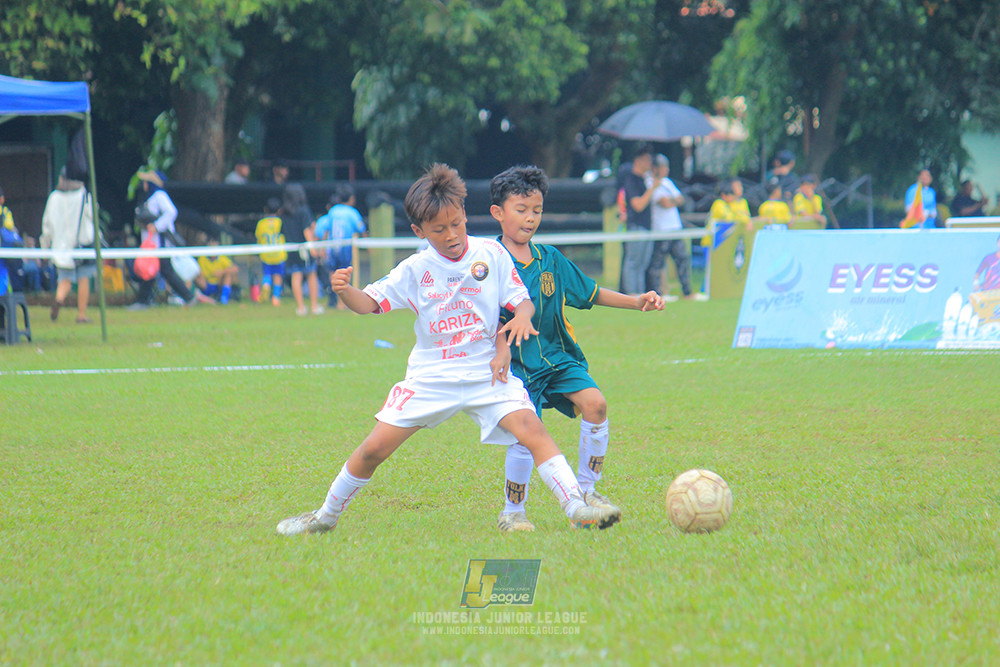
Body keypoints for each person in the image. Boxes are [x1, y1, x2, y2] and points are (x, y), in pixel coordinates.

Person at [276, 164, 622, 536]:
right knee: (373, 450)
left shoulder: (491, 254)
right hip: (432, 377)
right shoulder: (413, 269)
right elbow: (368, 304)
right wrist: (345, 291)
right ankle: (324, 517)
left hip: (486, 373)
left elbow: (522, 301)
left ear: (464, 214)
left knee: (531, 429)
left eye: (457, 224)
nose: (452, 235)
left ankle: (575, 507)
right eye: (439, 230)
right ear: (418, 231)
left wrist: (522, 317)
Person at [489, 165, 662, 533]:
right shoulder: (487, 263)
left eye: (536, 210)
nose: (530, 218)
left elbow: (590, 292)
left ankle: (587, 494)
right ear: (498, 212)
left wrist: (636, 301)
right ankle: (512, 512)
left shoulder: (550, 259)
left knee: (596, 404)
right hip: (516, 367)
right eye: (521, 209)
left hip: (556, 358)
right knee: (526, 434)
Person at [128, 170, 202, 309]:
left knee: (161, 271)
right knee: (152, 270)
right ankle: (146, 300)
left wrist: (156, 226)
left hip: (160, 243)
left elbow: (171, 212)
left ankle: (145, 301)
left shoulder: (159, 196)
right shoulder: (149, 199)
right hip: (152, 243)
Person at [39, 168, 96, 323]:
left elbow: (47, 224)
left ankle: (59, 299)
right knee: (84, 277)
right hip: (81, 245)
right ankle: (81, 314)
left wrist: (46, 246)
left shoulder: (54, 198)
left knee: (65, 278)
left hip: (61, 246)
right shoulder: (83, 195)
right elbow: (91, 216)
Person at [646, 154, 701, 301]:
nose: (666, 170)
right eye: (664, 167)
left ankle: (687, 292)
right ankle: (658, 293)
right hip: (661, 230)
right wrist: (672, 200)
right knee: (658, 262)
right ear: (656, 168)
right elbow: (663, 202)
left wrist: (671, 201)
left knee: (682, 258)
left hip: (675, 228)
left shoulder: (667, 182)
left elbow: (680, 199)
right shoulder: (650, 183)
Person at [315, 184, 367, 309]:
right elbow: (361, 229)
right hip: (345, 248)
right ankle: (341, 303)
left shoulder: (333, 211)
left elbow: (326, 230)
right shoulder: (352, 212)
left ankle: (333, 298)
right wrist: (368, 245)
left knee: (333, 272)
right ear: (351, 198)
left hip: (332, 247)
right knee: (344, 273)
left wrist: (322, 247)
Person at [281, 183, 323, 315]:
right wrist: (313, 248)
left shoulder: (284, 213)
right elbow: (306, 230)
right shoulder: (303, 210)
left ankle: (300, 307)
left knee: (296, 276)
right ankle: (314, 306)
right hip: (304, 249)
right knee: (311, 275)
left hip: (291, 249)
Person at [621, 144, 658, 295]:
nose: (650, 164)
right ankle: (631, 294)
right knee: (633, 263)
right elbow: (638, 205)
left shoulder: (643, 180)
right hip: (636, 227)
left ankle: (640, 295)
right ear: (639, 161)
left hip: (646, 227)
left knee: (642, 264)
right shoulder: (631, 180)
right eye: (647, 160)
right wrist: (652, 189)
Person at [255, 197, 286, 306]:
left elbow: (258, 238)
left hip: (266, 254)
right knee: (277, 275)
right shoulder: (281, 222)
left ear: (265, 210)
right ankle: (275, 298)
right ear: (279, 210)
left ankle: (265, 293)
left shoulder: (261, 224)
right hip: (279, 254)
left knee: (267, 275)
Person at [195, 237, 239, 304]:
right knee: (197, 277)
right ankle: (200, 296)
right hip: (207, 284)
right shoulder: (202, 258)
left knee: (228, 275)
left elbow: (235, 269)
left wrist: (222, 272)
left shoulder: (221, 258)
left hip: (218, 284)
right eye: (211, 245)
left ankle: (224, 298)